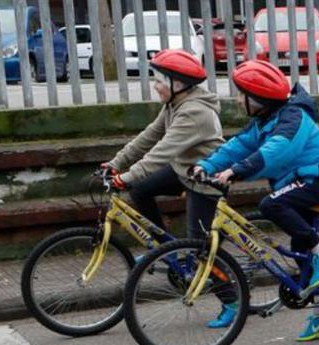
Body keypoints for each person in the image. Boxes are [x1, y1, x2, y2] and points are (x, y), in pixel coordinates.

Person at [193, 60, 319, 342]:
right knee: (302, 252)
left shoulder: (293, 117)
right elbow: (237, 145)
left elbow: (277, 150)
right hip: (298, 181)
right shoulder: (266, 120)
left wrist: (237, 171)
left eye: (242, 95)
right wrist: (207, 165)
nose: (238, 100)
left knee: (271, 205)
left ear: (258, 98)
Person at [102, 48, 238, 328]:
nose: (155, 85)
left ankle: (232, 301)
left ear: (178, 84)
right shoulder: (175, 104)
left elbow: (160, 153)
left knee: (201, 250)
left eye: (159, 80)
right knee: (140, 189)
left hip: (205, 181)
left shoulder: (194, 113)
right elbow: (149, 136)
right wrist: (115, 164)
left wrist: (124, 177)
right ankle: (166, 252)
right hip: (182, 170)